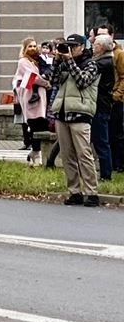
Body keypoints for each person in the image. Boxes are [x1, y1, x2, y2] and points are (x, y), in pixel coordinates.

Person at [50, 33, 100, 207]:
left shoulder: (91, 64)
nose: (69, 49)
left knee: (84, 155)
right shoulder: (64, 63)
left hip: (80, 114)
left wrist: (69, 60)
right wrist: (57, 60)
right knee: (67, 156)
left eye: (73, 46)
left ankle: (91, 192)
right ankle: (74, 192)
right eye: (67, 46)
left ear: (82, 46)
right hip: (62, 114)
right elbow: (53, 81)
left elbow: (82, 81)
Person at [13, 38, 53, 166]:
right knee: (34, 125)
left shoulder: (39, 61)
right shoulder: (23, 62)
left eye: (34, 46)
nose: (32, 48)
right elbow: (33, 77)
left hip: (41, 97)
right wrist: (46, 83)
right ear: (24, 48)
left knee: (41, 125)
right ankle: (36, 155)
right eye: (29, 46)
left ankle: (35, 153)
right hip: (30, 96)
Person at [95, 24, 124, 174]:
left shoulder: (118, 54)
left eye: (103, 34)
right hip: (106, 99)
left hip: (114, 100)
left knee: (115, 133)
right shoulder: (98, 57)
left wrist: (117, 95)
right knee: (106, 135)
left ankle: (118, 164)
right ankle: (111, 165)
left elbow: (122, 76)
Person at [91, 33, 116, 181]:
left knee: (101, 141)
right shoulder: (106, 60)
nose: (93, 47)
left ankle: (106, 174)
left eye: (94, 45)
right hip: (101, 105)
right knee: (100, 140)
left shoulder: (103, 63)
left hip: (100, 106)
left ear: (100, 47)